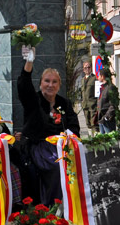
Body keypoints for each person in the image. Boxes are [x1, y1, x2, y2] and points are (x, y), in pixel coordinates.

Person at [17, 49, 80, 205]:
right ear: (41, 83)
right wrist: (29, 62)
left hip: (61, 147)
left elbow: (73, 125)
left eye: (54, 82)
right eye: (47, 81)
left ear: (59, 85)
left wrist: (68, 137)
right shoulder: (34, 100)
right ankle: (51, 205)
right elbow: (23, 86)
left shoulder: (64, 103)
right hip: (38, 148)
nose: (50, 85)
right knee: (56, 167)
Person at [79, 60, 98, 136]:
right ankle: (90, 137)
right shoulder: (82, 80)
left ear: (91, 68)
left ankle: (96, 138)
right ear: (83, 70)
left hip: (93, 104)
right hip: (85, 105)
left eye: (88, 67)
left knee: (94, 122)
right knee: (87, 122)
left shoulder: (95, 78)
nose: (87, 69)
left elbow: (97, 92)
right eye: (85, 68)